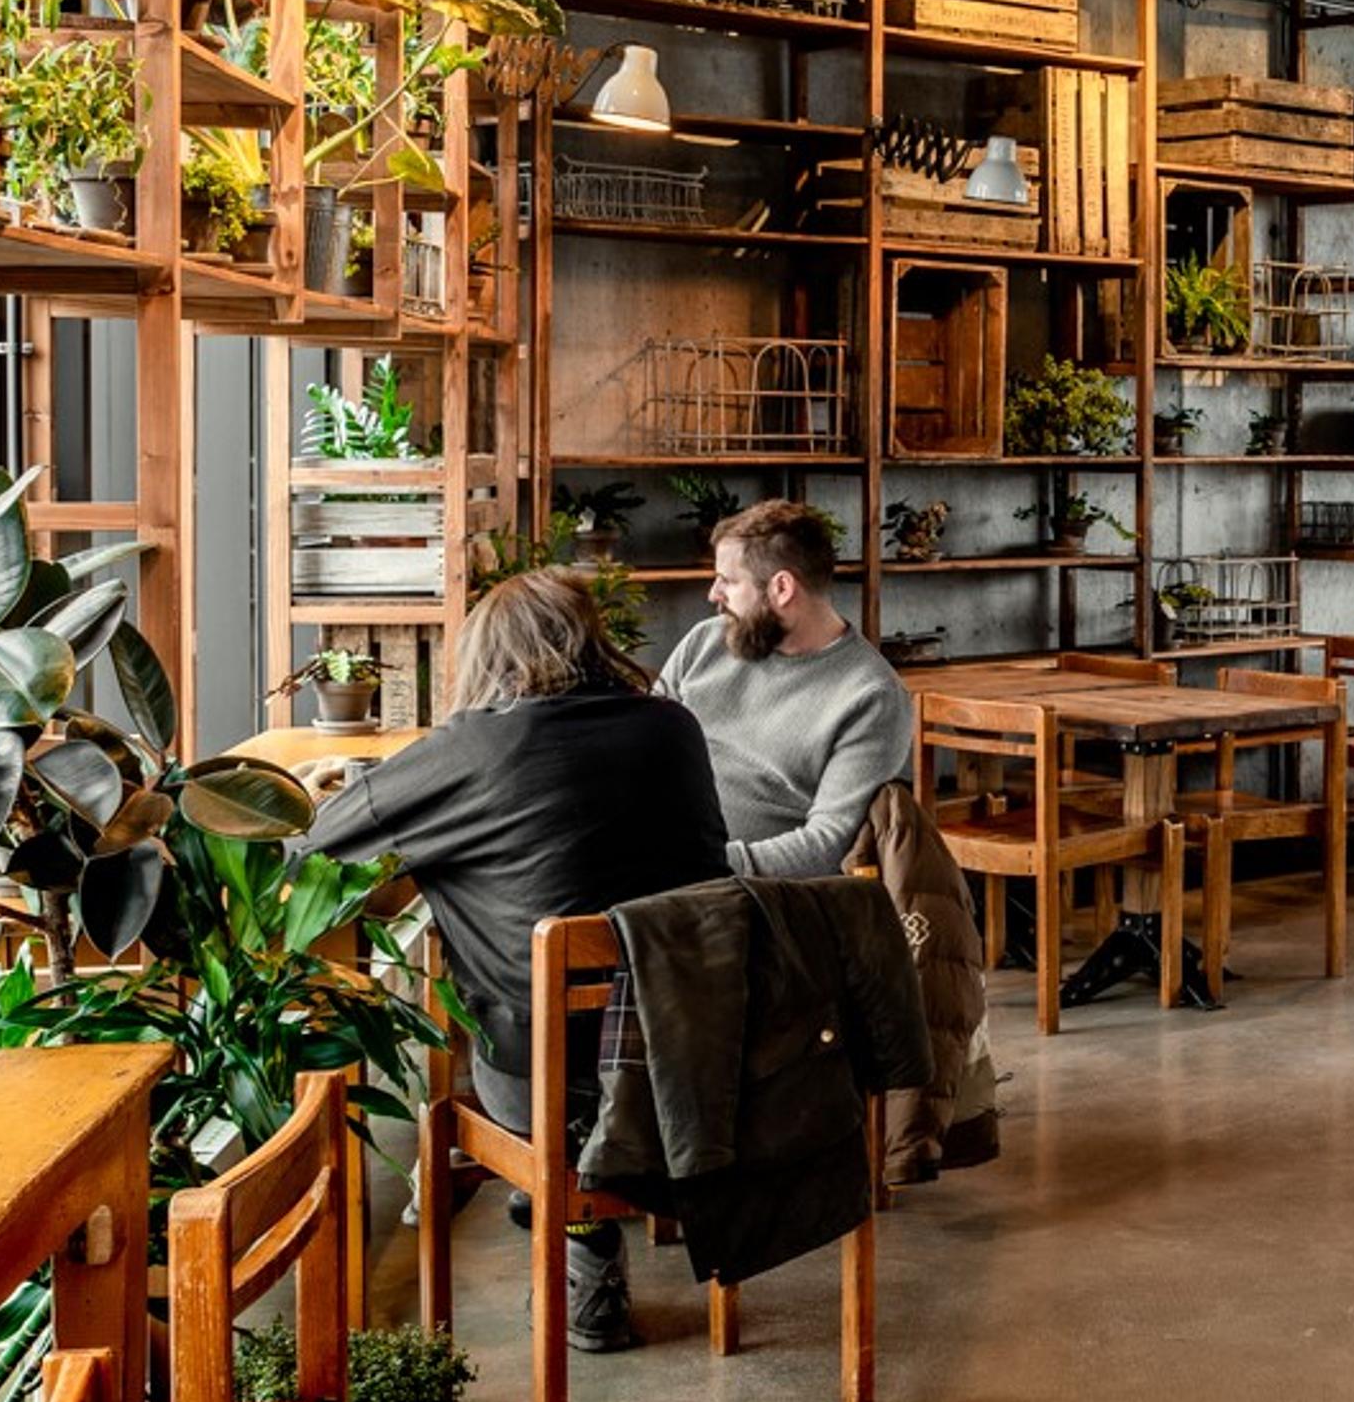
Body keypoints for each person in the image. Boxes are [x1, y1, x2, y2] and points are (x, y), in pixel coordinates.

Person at [305, 568, 729, 1351]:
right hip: (697, 1057)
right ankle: (574, 1212)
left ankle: (578, 1228)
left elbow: (321, 843)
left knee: (513, 1020)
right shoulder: (675, 727)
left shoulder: (476, 745)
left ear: (488, 658)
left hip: (548, 1086)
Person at [659, 499, 995, 1180]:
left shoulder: (868, 694)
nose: (712, 594)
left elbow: (824, 844)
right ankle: (566, 1142)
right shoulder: (703, 645)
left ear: (781, 589)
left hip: (759, 904)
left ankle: (609, 1170)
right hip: (660, 864)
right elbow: (644, 743)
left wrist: (702, 866)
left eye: (727, 581)